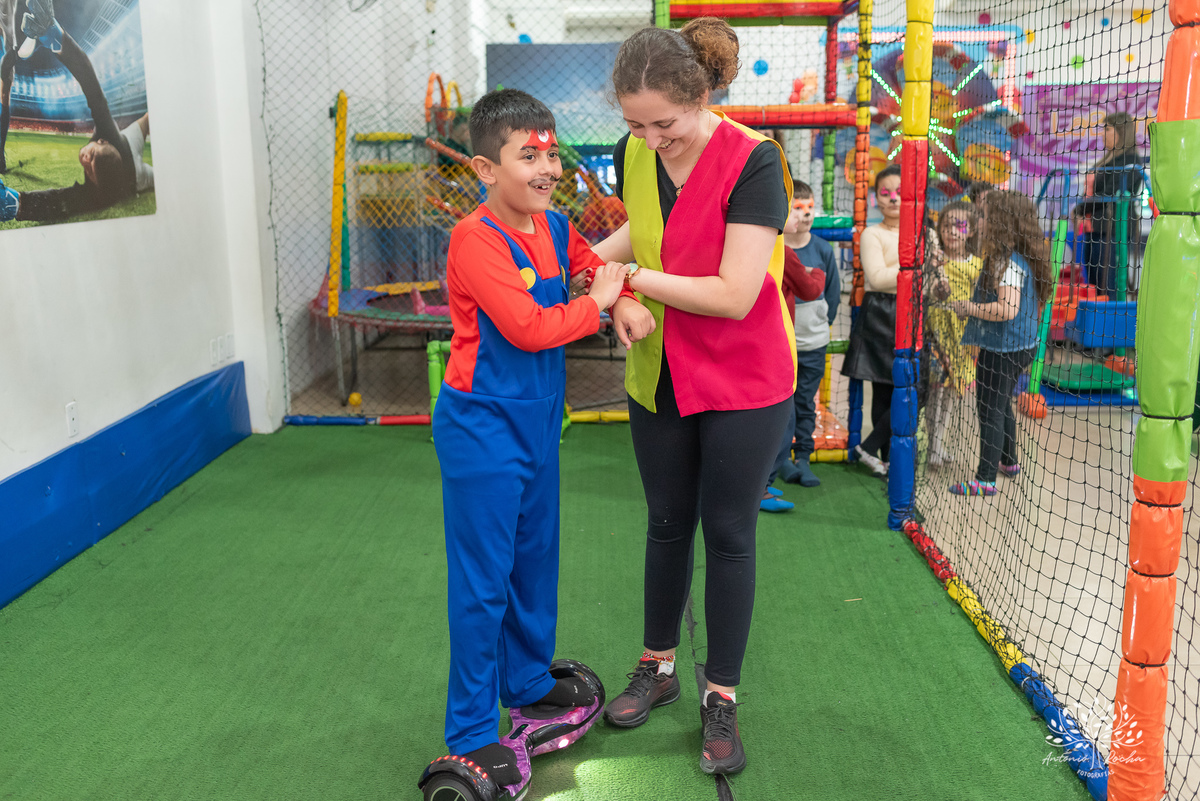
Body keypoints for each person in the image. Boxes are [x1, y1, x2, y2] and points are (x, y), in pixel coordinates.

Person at [592, 19, 795, 775]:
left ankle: (723, 694)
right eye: (634, 125)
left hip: (743, 379)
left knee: (729, 530)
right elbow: (633, 240)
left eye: (663, 124)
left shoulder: (754, 161)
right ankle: (659, 664)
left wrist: (631, 282)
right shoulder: (634, 153)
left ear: (702, 96)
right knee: (667, 522)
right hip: (662, 371)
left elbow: (736, 292)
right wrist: (607, 293)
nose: (648, 140)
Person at [431, 88, 635, 783]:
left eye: (551, 153)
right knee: (483, 582)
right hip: (482, 428)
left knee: (534, 559)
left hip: (540, 421)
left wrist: (623, 299)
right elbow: (527, 326)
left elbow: (591, 264)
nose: (547, 169)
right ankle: (469, 727)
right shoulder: (474, 239)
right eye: (529, 156)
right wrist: (601, 304)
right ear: (487, 170)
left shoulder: (550, 225)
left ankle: (524, 679)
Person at [0, 0, 153, 222]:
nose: (84, 157)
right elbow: (92, 87)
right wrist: (57, 37)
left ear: (96, 180)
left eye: (88, 167)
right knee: (148, 121)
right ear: (103, 142)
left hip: (135, 177)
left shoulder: (99, 194)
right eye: (91, 155)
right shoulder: (112, 136)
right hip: (127, 143)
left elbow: (59, 201)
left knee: (153, 177)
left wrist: (16, 203)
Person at [948, 190, 1053, 496]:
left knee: (989, 408)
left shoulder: (1006, 263)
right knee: (1002, 401)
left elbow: (1008, 309)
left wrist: (970, 308)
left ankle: (985, 479)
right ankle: (1008, 461)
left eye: (982, 216)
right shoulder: (1023, 257)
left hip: (1004, 349)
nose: (976, 221)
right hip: (1023, 346)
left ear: (1000, 223)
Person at [765, 183, 840, 500]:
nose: (805, 214)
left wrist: (825, 321)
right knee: (782, 407)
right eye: (798, 208)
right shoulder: (775, 248)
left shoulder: (821, 248)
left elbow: (832, 293)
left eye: (809, 208)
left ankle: (803, 458)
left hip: (812, 342)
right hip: (782, 342)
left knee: (805, 403)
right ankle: (777, 463)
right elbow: (810, 287)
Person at [843, 164, 903, 477]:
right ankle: (885, 458)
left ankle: (869, 447)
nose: (894, 199)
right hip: (882, 313)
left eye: (900, 193)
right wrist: (914, 272)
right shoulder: (873, 233)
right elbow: (878, 279)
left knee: (915, 387)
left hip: (913, 313)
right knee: (883, 388)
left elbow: (935, 275)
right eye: (886, 193)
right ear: (876, 199)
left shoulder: (921, 232)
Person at [925, 201, 983, 466]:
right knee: (934, 392)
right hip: (935, 332)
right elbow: (927, 290)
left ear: (970, 231)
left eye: (959, 226)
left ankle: (940, 444)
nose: (951, 231)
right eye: (946, 225)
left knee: (952, 392)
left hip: (961, 336)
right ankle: (931, 445)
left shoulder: (976, 264)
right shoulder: (936, 259)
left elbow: (978, 299)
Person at [1072, 111, 1143, 302]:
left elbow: (1111, 194)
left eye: (1108, 129)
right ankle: (1099, 324)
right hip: (1095, 228)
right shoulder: (1107, 160)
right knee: (1095, 282)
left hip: (1112, 230)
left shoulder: (1130, 161)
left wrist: (1079, 209)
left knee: (1108, 283)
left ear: (1121, 131)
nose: (1103, 134)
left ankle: (1112, 325)